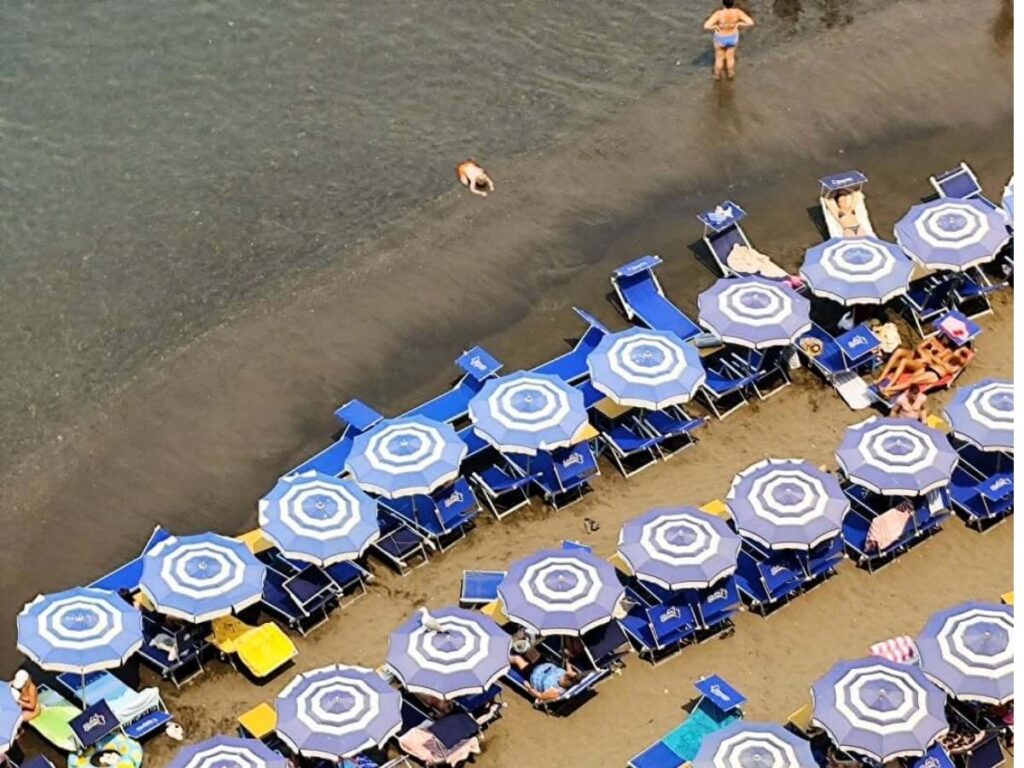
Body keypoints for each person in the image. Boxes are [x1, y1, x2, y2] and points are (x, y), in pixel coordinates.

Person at [703, 0, 755, 80]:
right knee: (730, 57)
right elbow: (750, 22)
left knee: (719, 58)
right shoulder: (737, 12)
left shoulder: (719, 14)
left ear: (723, 3)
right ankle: (731, 74)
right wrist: (739, 24)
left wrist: (715, 27)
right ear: (733, 3)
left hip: (720, 37)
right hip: (732, 36)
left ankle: (716, 76)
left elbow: (706, 26)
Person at [509, 654, 580, 702]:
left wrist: (529, 687)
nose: (563, 675)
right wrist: (567, 659)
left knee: (517, 659)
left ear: (564, 683)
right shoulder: (569, 677)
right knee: (529, 648)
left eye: (564, 676)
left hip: (533, 673)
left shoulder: (556, 691)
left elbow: (540, 696)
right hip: (543, 664)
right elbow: (569, 671)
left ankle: (502, 657)